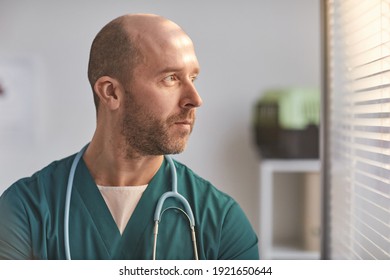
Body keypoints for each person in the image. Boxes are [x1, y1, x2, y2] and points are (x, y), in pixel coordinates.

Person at [0, 13, 259, 260]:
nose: (195, 99)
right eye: (171, 78)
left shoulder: (222, 223)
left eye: (193, 78)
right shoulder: (25, 210)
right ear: (111, 92)